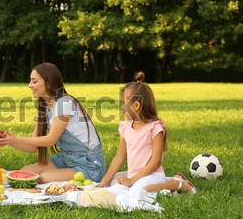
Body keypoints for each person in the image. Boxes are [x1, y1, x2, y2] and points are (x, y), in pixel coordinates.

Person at [78, 72, 196, 209]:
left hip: (152, 175)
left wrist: (132, 181)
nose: (122, 108)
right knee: (110, 191)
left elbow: (155, 162)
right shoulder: (125, 127)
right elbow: (118, 158)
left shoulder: (155, 127)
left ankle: (174, 184)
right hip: (134, 176)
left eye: (123, 103)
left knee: (139, 192)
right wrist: (104, 182)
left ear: (136, 106)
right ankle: (167, 182)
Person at [0, 62, 106, 184]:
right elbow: (33, 147)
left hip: (89, 163)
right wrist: (9, 141)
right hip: (66, 158)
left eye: (34, 81)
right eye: (30, 81)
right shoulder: (44, 107)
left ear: (48, 83)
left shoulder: (64, 102)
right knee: (24, 172)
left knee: (43, 178)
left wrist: (18, 139)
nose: (29, 85)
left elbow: (50, 139)